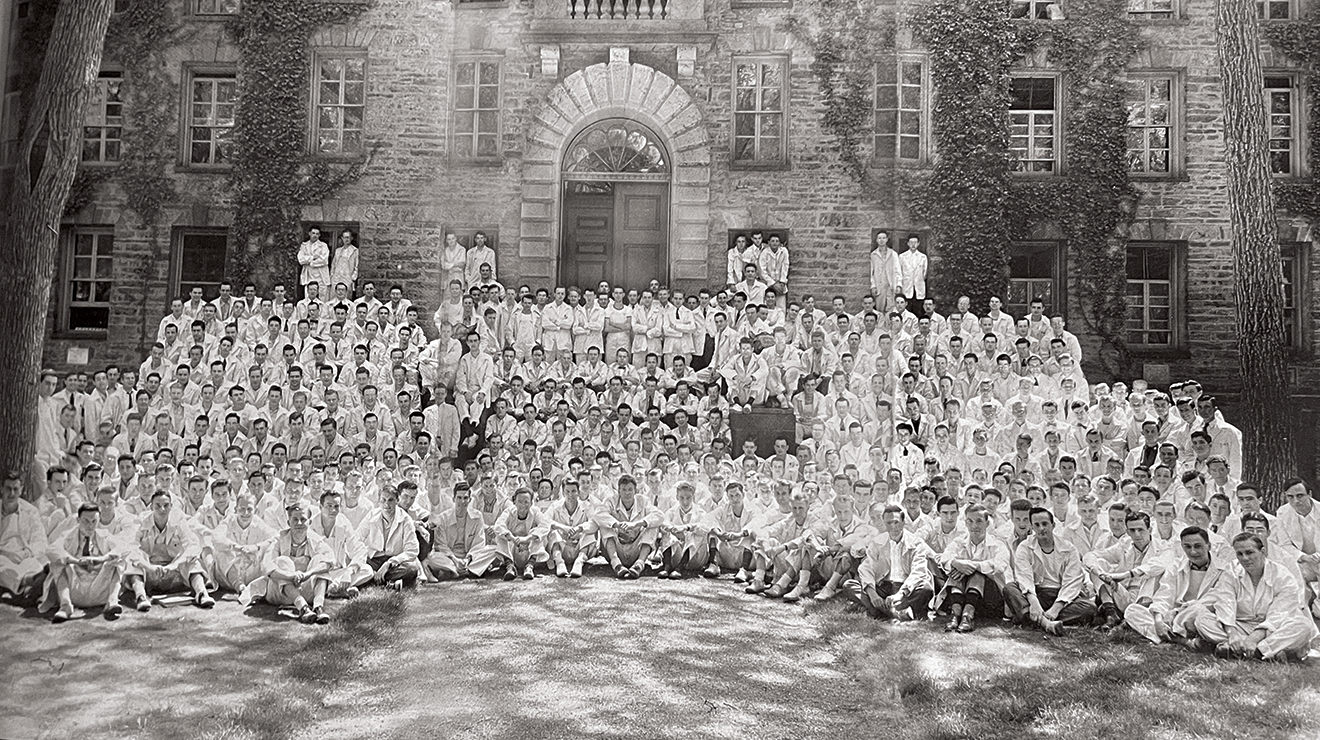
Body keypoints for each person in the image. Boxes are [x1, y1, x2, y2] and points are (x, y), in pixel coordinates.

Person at [1194, 533, 1317, 661]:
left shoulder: (1282, 575)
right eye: (1239, 554)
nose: (1245, 558)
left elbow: (1279, 613)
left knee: (1303, 625)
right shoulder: (1231, 570)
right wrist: (1232, 633)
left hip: (1272, 629)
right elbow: (1225, 602)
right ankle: (1263, 651)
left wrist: (1254, 639)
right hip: (1241, 625)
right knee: (1202, 620)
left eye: (1249, 552)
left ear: (1262, 551)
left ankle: (1254, 650)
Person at [1124, 525, 1226, 646]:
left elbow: (1213, 599)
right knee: (1132, 610)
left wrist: (1178, 612)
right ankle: (1180, 640)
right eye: (1187, 547)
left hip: (1198, 614)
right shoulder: (1176, 566)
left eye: (1197, 546)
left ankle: (1168, 637)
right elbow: (1164, 595)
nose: (1193, 551)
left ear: (1208, 546)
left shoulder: (1223, 569)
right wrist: (1158, 620)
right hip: (1173, 616)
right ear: (1182, 547)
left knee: (1197, 610)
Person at [241, 502, 336, 624]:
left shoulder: (315, 539)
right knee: (282, 561)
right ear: (288, 522)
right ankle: (303, 608)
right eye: (295, 519)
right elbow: (267, 567)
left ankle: (318, 608)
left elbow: (330, 559)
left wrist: (308, 574)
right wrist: (290, 576)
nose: (299, 523)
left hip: (305, 588)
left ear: (310, 522)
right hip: (279, 592)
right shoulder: (279, 539)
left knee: (320, 561)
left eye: (303, 519)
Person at [1006, 507, 1096, 634]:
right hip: (1037, 594)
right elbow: (1024, 577)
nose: (1041, 528)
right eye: (1036, 525)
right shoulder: (1025, 547)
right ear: (1031, 528)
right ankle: (1046, 623)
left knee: (1089, 608)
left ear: (1053, 525)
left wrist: (1056, 608)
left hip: (1059, 595)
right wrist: (1034, 603)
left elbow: (1072, 581)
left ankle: (1031, 618)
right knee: (1010, 588)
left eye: (1045, 524)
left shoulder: (1068, 549)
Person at [123, 490, 215, 611]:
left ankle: (202, 594)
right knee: (133, 560)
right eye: (158, 506)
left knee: (193, 559)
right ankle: (141, 597)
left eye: (166, 505)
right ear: (151, 506)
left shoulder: (179, 520)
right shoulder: (141, 521)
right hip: (149, 574)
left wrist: (174, 565)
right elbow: (131, 548)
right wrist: (149, 567)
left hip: (174, 574)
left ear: (171, 506)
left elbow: (192, 545)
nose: (162, 509)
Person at [846, 504, 935, 619]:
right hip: (884, 587)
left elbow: (918, 573)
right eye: (889, 523)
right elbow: (866, 568)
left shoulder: (916, 543)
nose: (893, 527)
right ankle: (896, 613)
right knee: (849, 585)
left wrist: (900, 594)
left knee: (926, 589)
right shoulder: (878, 542)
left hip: (907, 589)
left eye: (896, 522)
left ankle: (879, 610)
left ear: (903, 523)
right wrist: (873, 594)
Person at [40, 503, 125, 622]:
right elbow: (51, 550)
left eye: (94, 521)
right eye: (86, 521)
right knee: (58, 562)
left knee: (118, 561)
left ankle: (112, 601)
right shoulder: (68, 535)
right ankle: (65, 606)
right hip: (74, 587)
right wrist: (77, 561)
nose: (90, 526)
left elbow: (122, 549)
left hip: (99, 588)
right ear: (78, 520)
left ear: (98, 520)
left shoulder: (104, 535)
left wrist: (101, 559)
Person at [934, 503, 1011, 632]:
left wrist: (973, 566)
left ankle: (967, 616)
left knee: (977, 573)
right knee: (957, 569)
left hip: (990, 599)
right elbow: (944, 557)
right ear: (966, 523)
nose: (974, 526)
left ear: (987, 523)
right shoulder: (960, 541)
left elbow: (999, 565)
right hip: (964, 596)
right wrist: (957, 563)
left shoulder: (997, 544)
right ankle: (955, 614)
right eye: (970, 521)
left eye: (979, 521)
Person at [355, 484, 421, 590]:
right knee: (360, 567)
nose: (386, 504)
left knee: (412, 569)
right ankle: (386, 583)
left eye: (390, 500)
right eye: (383, 500)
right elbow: (357, 539)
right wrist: (362, 557)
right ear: (378, 500)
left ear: (397, 500)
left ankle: (373, 582)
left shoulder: (405, 519)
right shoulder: (372, 515)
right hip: (373, 560)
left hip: (393, 563)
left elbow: (412, 550)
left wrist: (389, 564)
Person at [594, 475, 662, 579]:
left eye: (630, 489)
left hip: (636, 548)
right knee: (606, 525)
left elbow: (659, 516)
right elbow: (597, 514)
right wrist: (616, 524)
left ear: (635, 490)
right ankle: (616, 565)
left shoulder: (643, 500)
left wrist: (637, 524)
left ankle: (639, 565)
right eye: (624, 489)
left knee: (652, 525)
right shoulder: (611, 500)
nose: (627, 493)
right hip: (617, 548)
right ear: (619, 491)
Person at [1, 471, 49, 604]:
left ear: (21, 490)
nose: (11, 494)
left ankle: (26, 590)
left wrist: (27, 553)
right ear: (1, 489)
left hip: (24, 555)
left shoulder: (30, 511)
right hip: (3, 555)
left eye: (15, 489)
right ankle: (29, 583)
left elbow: (40, 541)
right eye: (8, 489)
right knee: (2, 565)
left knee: (32, 564)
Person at [492, 487, 550, 580]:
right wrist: (512, 538)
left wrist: (527, 538)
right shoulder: (509, 511)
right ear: (514, 502)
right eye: (520, 501)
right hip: (512, 551)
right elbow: (499, 525)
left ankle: (529, 567)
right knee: (500, 536)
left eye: (526, 502)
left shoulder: (535, 512)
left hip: (529, 551)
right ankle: (510, 567)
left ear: (531, 503)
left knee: (539, 535)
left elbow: (545, 526)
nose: (523, 505)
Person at [546, 478, 596, 578]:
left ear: (578, 492)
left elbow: (594, 523)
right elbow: (545, 521)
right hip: (562, 546)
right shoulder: (555, 506)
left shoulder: (587, 506)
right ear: (563, 492)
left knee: (589, 534)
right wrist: (564, 528)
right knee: (553, 533)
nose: (570, 495)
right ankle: (559, 563)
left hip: (580, 547)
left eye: (573, 491)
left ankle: (579, 563)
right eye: (567, 491)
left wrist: (580, 528)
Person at [296, 228, 330, 298]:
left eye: (317, 234)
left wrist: (310, 263)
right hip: (308, 275)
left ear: (319, 235)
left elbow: (324, 260)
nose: (315, 235)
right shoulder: (304, 245)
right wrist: (313, 257)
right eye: (313, 233)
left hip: (321, 275)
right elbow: (301, 259)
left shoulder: (323, 245)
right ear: (309, 233)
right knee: (308, 297)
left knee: (322, 297)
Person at [898, 234, 928, 315]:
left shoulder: (923, 257)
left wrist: (918, 280)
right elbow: (899, 273)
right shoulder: (902, 256)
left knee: (918, 310)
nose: (913, 244)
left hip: (919, 287)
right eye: (911, 242)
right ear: (908, 243)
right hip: (907, 287)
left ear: (918, 243)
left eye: (915, 242)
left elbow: (924, 273)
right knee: (907, 311)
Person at [330, 229, 360, 296]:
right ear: (342, 238)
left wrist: (353, 278)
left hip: (347, 278)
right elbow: (333, 265)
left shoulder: (355, 251)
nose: (346, 239)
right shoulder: (338, 251)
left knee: (346, 297)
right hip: (337, 277)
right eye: (344, 237)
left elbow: (356, 266)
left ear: (351, 238)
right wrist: (332, 276)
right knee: (334, 297)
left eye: (348, 237)